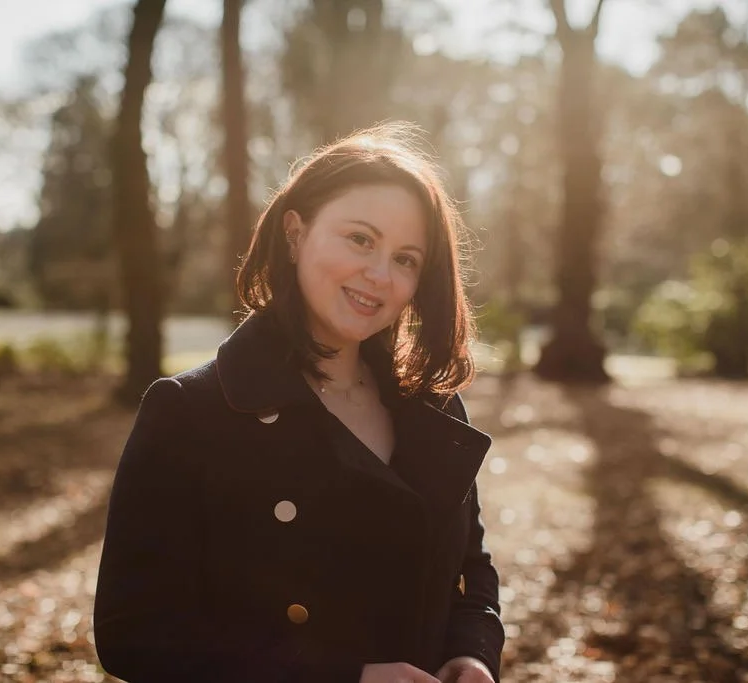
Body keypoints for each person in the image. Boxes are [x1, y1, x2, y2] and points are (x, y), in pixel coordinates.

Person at [94, 122, 504, 683]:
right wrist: (345, 677)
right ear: (295, 232)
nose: (380, 275)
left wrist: (472, 653)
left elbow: (470, 572)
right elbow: (134, 634)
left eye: (406, 258)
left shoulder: (432, 406)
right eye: (360, 239)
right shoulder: (192, 412)